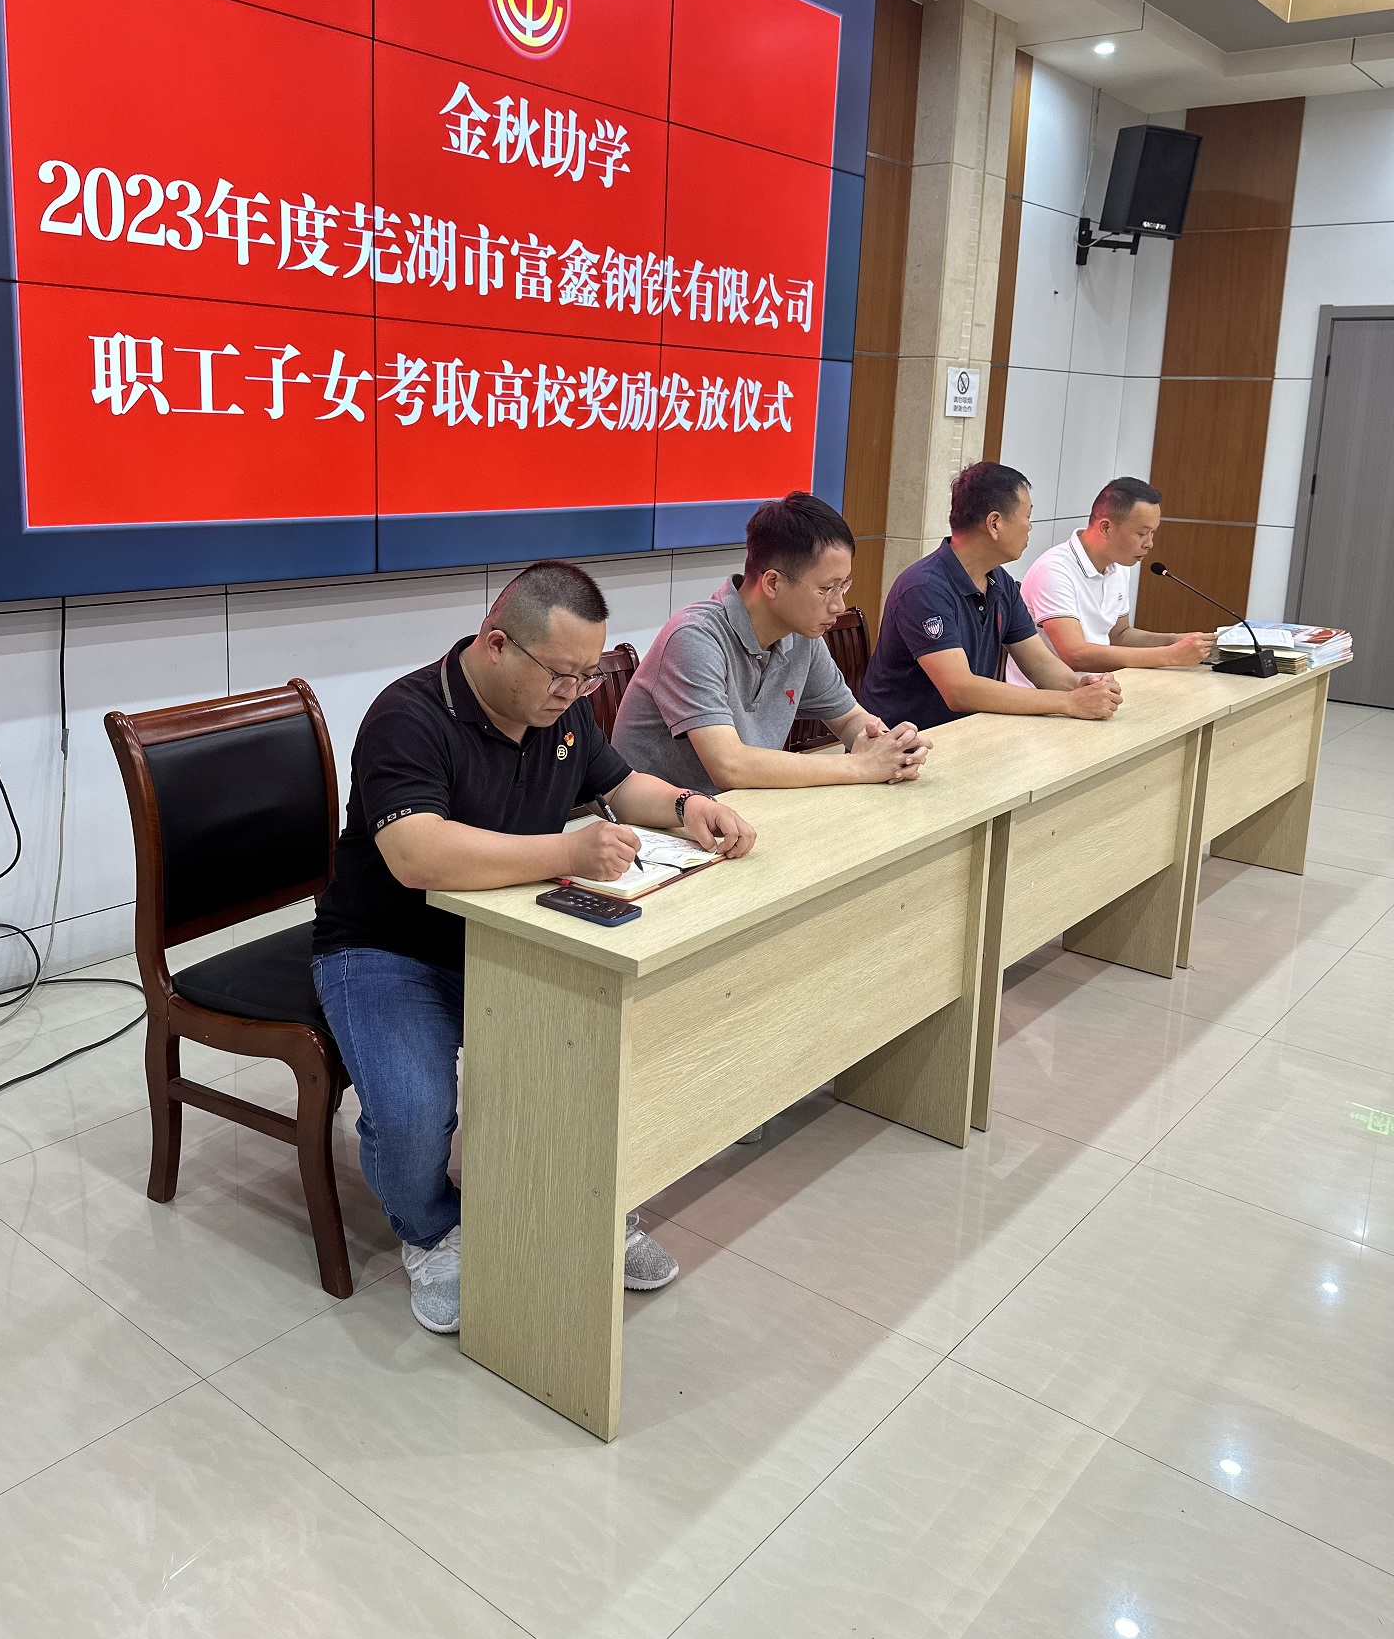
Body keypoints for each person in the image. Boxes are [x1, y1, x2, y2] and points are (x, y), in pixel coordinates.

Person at [311, 561, 757, 1336]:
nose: (574, 693)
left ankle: (592, 1210)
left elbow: (621, 785)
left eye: (588, 677)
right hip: (387, 947)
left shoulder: (562, 711)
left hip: (515, 931)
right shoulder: (407, 715)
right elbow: (417, 855)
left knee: (600, 1055)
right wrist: (566, 851)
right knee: (414, 1114)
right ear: (496, 645)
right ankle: (432, 1231)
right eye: (561, 675)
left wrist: (688, 806)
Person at [611, 491, 930, 793]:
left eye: (843, 587)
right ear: (773, 583)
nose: (838, 605)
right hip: (659, 823)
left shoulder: (801, 635)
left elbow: (849, 719)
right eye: (826, 589)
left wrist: (890, 747)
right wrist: (860, 766)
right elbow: (729, 766)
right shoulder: (694, 638)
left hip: (743, 811)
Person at [859, 461, 1124, 728]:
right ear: (994, 523)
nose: (1030, 527)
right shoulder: (923, 588)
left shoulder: (1000, 581)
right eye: (1027, 516)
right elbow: (960, 690)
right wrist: (1068, 702)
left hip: (968, 732)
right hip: (903, 740)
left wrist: (1082, 688)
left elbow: (1039, 663)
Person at [1007, 476, 1214, 682]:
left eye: (1153, 533)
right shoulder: (1054, 569)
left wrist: (1174, 641)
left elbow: (1119, 635)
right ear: (1106, 527)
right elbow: (1075, 654)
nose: (1149, 543)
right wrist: (1170, 655)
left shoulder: (1119, 565)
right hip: (1049, 693)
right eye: (1142, 533)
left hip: (1099, 686)